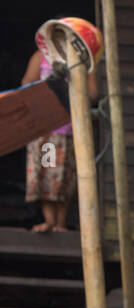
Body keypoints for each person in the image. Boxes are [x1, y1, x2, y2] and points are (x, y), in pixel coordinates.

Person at [21, 48, 96, 232]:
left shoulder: (82, 59)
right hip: (45, 129)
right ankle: (50, 221)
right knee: (48, 173)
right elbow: (27, 83)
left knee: (64, 175)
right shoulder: (41, 57)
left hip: (68, 129)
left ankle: (60, 224)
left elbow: (93, 94)